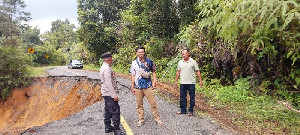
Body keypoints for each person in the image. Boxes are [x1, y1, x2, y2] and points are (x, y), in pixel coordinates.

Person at [130, 46, 163, 127]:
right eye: (139, 52)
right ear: (136, 53)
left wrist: (155, 81)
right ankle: (141, 119)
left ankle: (157, 118)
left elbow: (153, 71)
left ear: (144, 52)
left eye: (142, 52)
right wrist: (132, 87)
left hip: (148, 86)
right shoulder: (134, 63)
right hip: (138, 87)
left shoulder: (149, 61)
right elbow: (133, 75)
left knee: (153, 103)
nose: (141, 54)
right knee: (139, 104)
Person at [99, 52, 125, 135]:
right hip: (109, 93)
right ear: (108, 59)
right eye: (111, 59)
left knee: (108, 109)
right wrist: (114, 95)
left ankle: (107, 127)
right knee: (115, 110)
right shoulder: (107, 69)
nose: (112, 60)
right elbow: (108, 83)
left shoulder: (104, 67)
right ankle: (117, 130)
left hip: (105, 93)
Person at [174, 48, 203, 116]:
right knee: (182, 97)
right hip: (183, 82)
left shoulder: (193, 62)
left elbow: (197, 71)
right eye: (182, 54)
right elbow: (178, 72)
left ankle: (191, 110)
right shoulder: (180, 62)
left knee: (192, 97)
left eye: (185, 54)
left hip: (191, 83)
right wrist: (176, 81)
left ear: (188, 54)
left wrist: (200, 81)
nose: (183, 55)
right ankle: (183, 110)